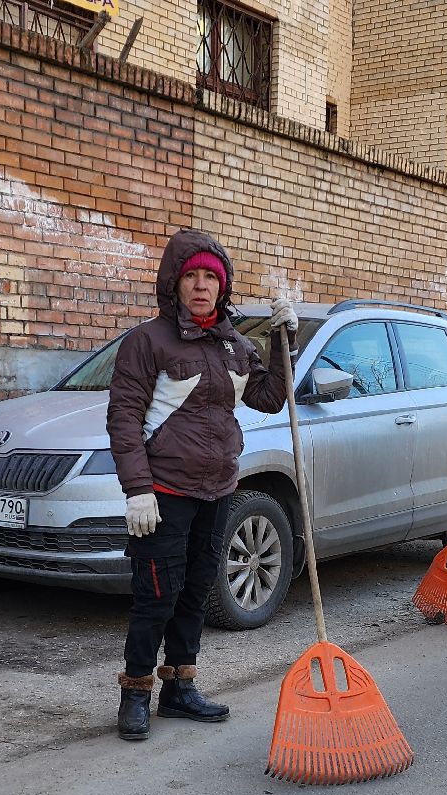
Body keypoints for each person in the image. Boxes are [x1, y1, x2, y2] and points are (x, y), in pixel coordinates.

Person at [104, 230, 291, 740]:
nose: (202, 285)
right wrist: (136, 487)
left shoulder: (234, 343)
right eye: (192, 276)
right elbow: (123, 418)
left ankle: (180, 687)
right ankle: (135, 690)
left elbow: (271, 398)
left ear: (223, 285)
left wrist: (280, 339)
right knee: (155, 596)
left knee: (195, 592)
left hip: (217, 488)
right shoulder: (148, 342)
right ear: (175, 283)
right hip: (164, 490)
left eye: (211, 276)